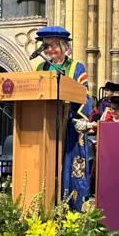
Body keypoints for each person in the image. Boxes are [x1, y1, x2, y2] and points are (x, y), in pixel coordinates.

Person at [35, 26, 92, 211]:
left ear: (64, 46)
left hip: (69, 125)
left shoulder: (75, 67)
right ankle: (45, 206)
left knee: (71, 169)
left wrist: (79, 119)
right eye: (47, 46)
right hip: (46, 124)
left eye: (54, 45)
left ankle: (72, 211)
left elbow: (85, 95)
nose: (51, 50)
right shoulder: (40, 67)